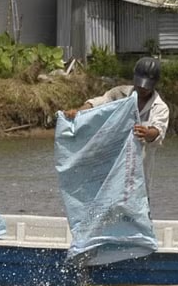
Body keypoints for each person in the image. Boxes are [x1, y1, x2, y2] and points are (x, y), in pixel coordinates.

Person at [63, 56, 170, 194]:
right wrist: (78, 112)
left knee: (136, 208)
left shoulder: (160, 107)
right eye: (139, 84)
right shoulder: (119, 94)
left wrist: (147, 133)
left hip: (137, 177)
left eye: (146, 86)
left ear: (155, 84)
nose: (142, 89)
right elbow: (100, 103)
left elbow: (157, 132)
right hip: (110, 169)